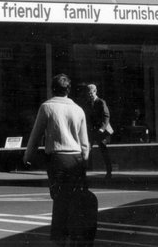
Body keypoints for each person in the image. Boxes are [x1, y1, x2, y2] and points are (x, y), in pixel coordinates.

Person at [24, 74, 91, 246]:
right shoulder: (78, 110)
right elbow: (85, 144)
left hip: (57, 159)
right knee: (75, 201)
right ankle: (75, 238)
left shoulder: (47, 107)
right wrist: (83, 161)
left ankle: (59, 241)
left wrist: (28, 157)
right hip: (76, 159)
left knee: (60, 201)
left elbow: (35, 136)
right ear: (68, 90)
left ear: (52, 89)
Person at [85, 83, 113, 178]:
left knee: (103, 151)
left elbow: (106, 116)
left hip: (101, 131)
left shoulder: (101, 102)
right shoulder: (88, 103)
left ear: (95, 91)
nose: (89, 95)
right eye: (88, 94)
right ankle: (83, 172)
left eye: (91, 93)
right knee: (86, 149)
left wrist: (102, 128)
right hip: (92, 131)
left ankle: (109, 171)